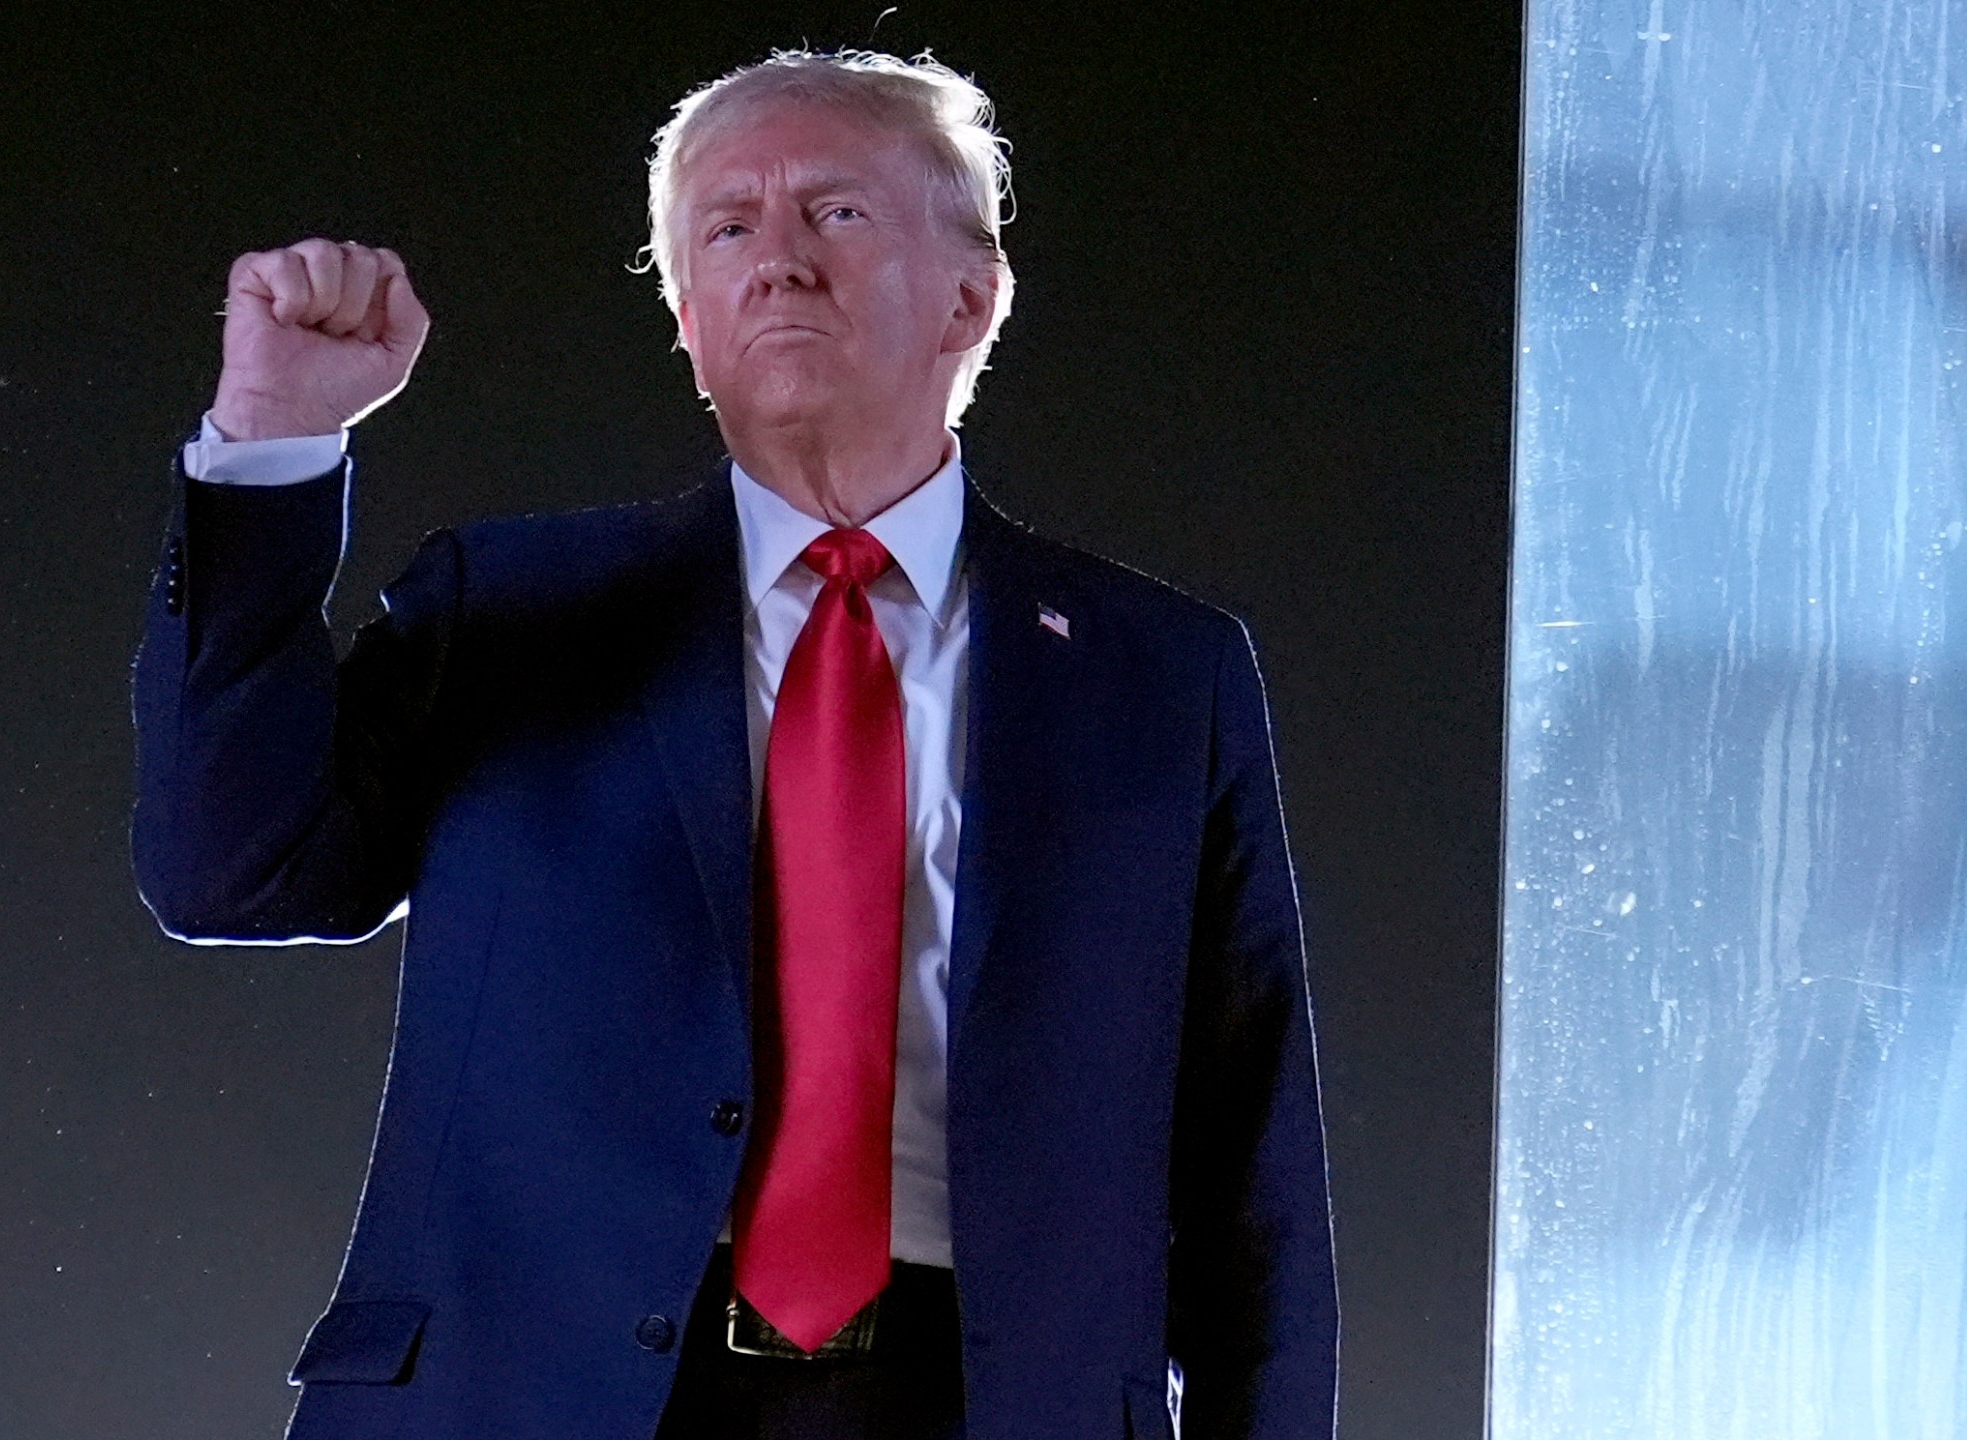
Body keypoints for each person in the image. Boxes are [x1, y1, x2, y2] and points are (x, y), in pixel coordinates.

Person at [131, 48, 1335, 1440]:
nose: (778, 259)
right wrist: (274, 444)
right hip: (535, 1398)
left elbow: (1257, 1169)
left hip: (989, 1399)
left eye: (836, 213)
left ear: (972, 296)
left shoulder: (1160, 677)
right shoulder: (512, 609)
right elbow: (228, 870)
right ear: (692, 322)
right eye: (727, 227)